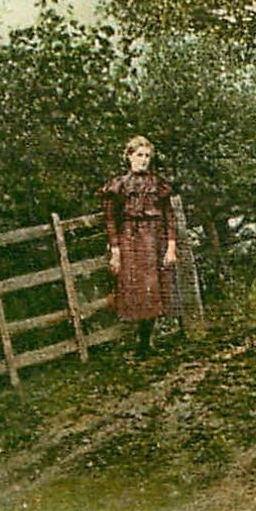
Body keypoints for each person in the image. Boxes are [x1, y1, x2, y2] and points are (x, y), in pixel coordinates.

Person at [101, 135, 178, 354]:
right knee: (133, 289)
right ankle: (136, 342)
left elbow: (169, 217)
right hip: (130, 241)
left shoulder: (158, 184)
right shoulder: (119, 185)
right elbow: (110, 220)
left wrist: (171, 246)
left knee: (154, 288)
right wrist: (115, 250)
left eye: (147, 156)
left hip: (154, 240)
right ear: (129, 157)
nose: (143, 160)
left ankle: (148, 341)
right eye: (139, 155)